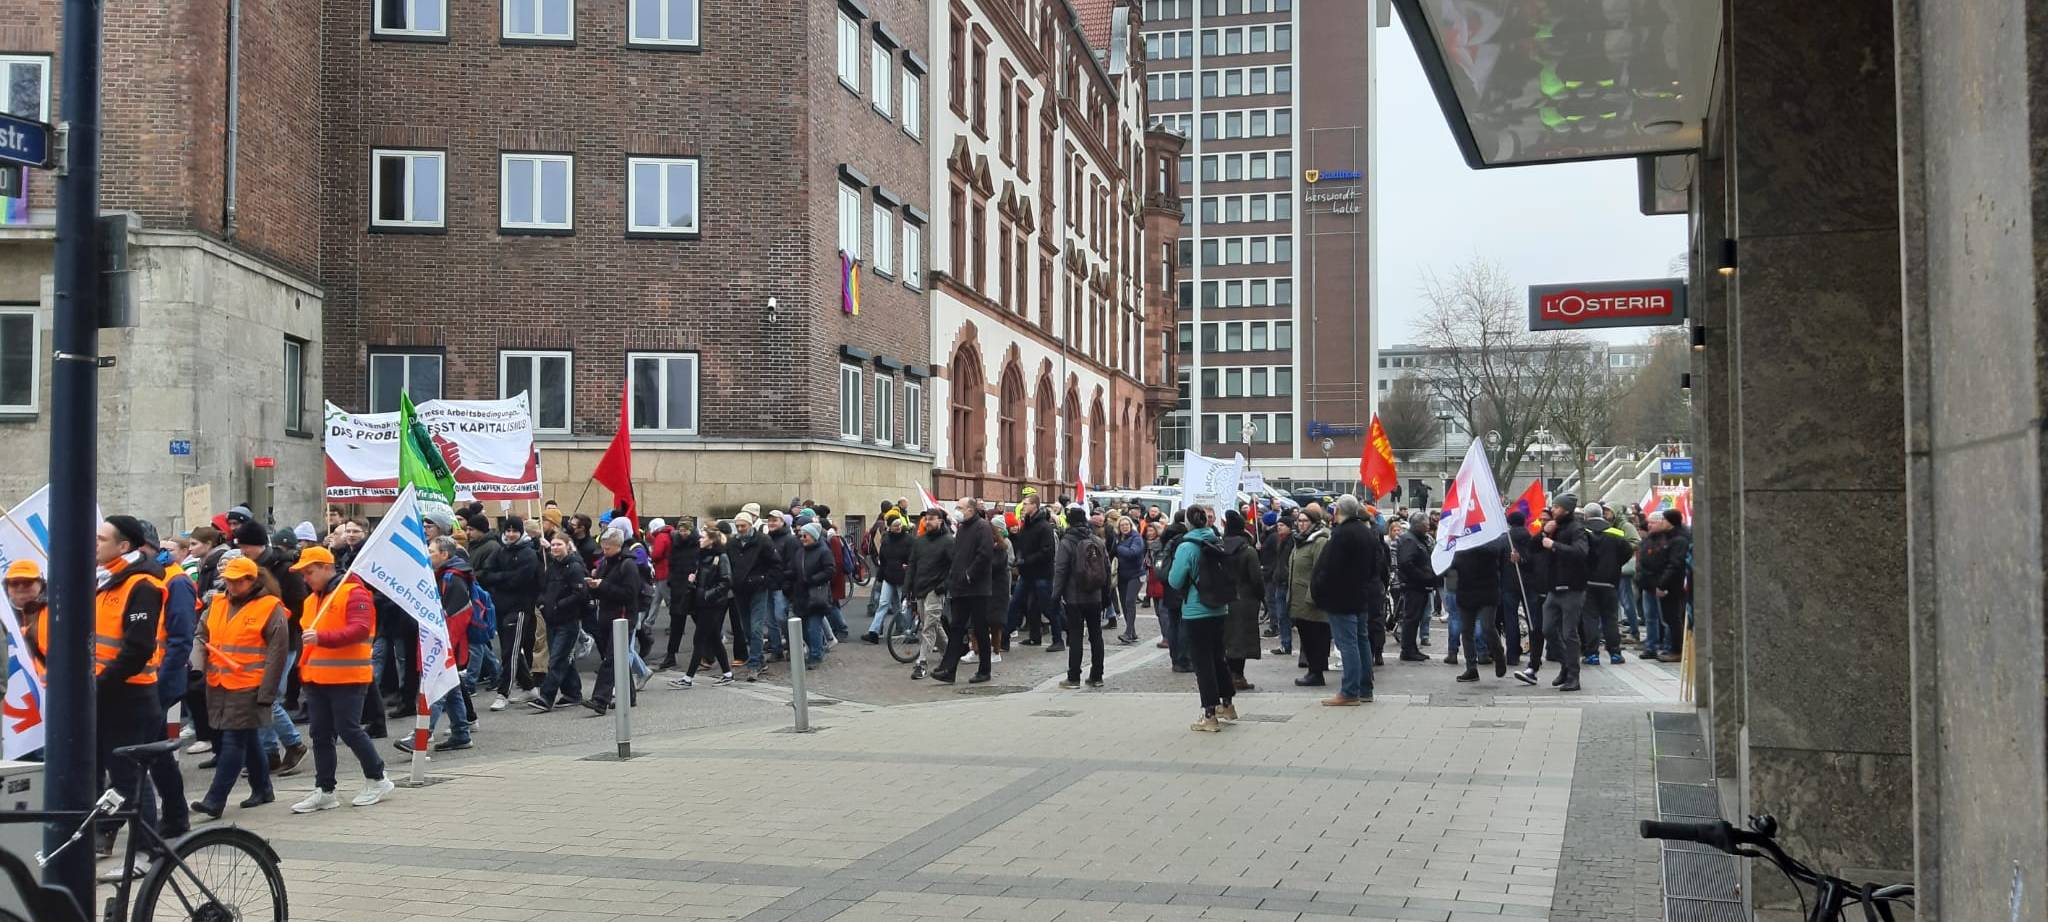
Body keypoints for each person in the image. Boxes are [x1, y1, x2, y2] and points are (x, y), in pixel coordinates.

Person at [87, 516, 175, 843]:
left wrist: (99, 684)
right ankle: (101, 834)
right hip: (106, 693)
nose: (93, 543)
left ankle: (146, 848)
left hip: (129, 696)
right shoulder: (104, 579)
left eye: (101, 538)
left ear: (123, 547)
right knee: (101, 772)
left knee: (129, 777)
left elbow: (138, 648)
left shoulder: (141, 585)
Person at [288, 547, 394, 812]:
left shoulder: (353, 592)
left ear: (326, 567)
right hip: (317, 677)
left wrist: (322, 638)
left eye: (309, 572)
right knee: (320, 734)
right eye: (303, 573)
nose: (306, 578)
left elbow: (359, 630)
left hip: (348, 677)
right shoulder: (314, 598)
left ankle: (377, 778)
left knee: (348, 730)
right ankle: (325, 790)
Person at [190, 556, 287, 819]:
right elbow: (201, 634)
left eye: (236, 582)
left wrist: (267, 693)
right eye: (228, 581)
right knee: (247, 737)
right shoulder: (218, 603)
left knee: (233, 741)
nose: (230, 586)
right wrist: (197, 667)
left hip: (249, 685)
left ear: (251, 580)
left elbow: (278, 654)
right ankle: (263, 788)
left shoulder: (269, 607)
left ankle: (215, 799)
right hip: (220, 683)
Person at [403, 536, 477, 751]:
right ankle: (461, 733)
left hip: (444, 644)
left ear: (445, 554)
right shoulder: (444, 575)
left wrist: (443, 647)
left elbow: (458, 616)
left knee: (435, 687)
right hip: (443, 642)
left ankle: (421, 736)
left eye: (432, 551)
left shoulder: (452, 578)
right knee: (451, 688)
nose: (428, 555)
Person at [1168, 506, 1234, 731]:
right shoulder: (1216, 540)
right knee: (1219, 657)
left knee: (1202, 662)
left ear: (1188, 523)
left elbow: (1175, 580)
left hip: (1196, 610)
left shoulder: (1187, 547)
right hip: (1220, 608)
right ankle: (1228, 704)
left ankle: (1209, 715)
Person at [1311, 497, 1378, 706]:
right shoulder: (1366, 532)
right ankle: (1365, 688)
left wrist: (1320, 588)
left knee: (1347, 644)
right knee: (1361, 641)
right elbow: (1376, 565)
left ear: (1338, 510)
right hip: (1361, 594)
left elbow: (1330, 567)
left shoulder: (1341, 535)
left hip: (1341, 597)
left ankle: (1350, 691)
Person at [1522, 494, 1590, 691]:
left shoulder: (1576, 528)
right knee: (1547, 629)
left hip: (1572, 588)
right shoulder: (1553, 526)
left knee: (1569, 633)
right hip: (1553, 588)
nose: (1553, 509)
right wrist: (1544, 532)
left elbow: (1580, 553)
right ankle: (1565, 666)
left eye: (1557, 507)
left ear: (1567, 510)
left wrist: (1555, 546)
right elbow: (1532, 547)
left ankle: (1573, 677)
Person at [479, 517, 542, 711]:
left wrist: (500, 579)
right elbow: (486, 574)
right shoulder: (500, 550)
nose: (511, 534)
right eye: (508, 530)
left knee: (510, 651)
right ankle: (530, 687)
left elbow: (520, 580)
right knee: (511, 649)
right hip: (501, 606)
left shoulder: (529, 553)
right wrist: (503, 578)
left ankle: (503, 692)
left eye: (515, 530)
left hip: (520, 608)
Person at [930, 498, 994, 684]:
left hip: (977, 589)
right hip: (960, 588)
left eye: (961, 507)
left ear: (971, 510)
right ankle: (948, 669)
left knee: (980, 630)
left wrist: (969, 574)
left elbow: (984, 554)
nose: (957, 510)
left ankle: (984, 670)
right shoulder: (962, 528)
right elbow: (957, 556)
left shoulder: (982, 527)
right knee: (956, 629)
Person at [585, 529, 645, 712]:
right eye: (603, 547)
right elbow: (604, 588)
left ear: (618, 546)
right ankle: (629, 696)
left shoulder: (628, 565)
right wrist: (594, 586)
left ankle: (600, 699)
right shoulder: (605, 563)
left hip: (623, 617)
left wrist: (603, 585)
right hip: (607, 616)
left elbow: (629, 594)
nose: (604, 551)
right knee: (617, 658)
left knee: (611, 659)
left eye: (608, 548)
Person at [670, 526, 734, 687]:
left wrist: (706, 594)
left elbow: (725, 581)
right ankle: (727, 673)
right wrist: (694, 583)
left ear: (712, 540)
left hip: (713, 604)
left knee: (699, 639)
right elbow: (703, 579)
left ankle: (688, 678)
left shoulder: (721, 557)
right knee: (714, 639)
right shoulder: (701, 556)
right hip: (702, 603)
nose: (699, 539)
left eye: (703, 537)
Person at [531, 535, 590, 711]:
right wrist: (542, 604)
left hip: (568, 620)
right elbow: (543, 589)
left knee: (556, 659)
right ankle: (572, 692)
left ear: (567, 546)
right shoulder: (552, 568)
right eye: (554, 545)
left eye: (559, 544)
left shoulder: (574, 567)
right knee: (564, 658)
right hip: (552, 619)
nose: (555, 548)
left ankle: (546, 697)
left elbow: (580, 594)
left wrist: (558, 605)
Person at [1050, 506, 1107, 689]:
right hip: (1095, 595)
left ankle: (1074, 677)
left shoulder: (1067, 541)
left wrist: (1055, 595)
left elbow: (1060, 570)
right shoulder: (1096, 540)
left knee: (1075, 636)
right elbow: (1105, 567)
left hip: (1074, 596)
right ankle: (1097, 676)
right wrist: (1106, 595)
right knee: (1096, 635)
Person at [727, 512, 782, 681]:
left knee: (756, 626)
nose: (740, 529)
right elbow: (728, 562)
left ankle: (754, 664)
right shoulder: (732, 543)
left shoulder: (763, 541)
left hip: (758, 588)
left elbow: (776, 563)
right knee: (746, 628)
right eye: (738, 526)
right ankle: (758, 659)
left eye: (743, 525)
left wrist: (765, 580)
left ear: (750, 525)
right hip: (740, 590)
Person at [1451, 531, 1508, 682]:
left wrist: (1472, 545)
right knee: (1467, 631)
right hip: (1466, 591)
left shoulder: (1491, 541)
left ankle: (1498, 654)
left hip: (1487, 591)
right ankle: (1471, 668)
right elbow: (1453, 563)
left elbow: (1496, 551)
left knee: (1487, 627)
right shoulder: (1461, 544)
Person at [904, 507, 953, 680]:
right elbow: (912, 565)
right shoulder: (919, 541)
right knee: (932, 624)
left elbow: (954, 568)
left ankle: (921, 662)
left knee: (928, 627)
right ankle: (950, 654)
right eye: (926, 519)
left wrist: (944, 586)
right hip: (920, 588)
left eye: (932, 519)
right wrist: (907, 588)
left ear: (940, 521)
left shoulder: (948, 541)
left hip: (936, 589)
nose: (928, 522)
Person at [1579, 504, 1632, 665]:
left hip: (1588, 582)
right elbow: (1628, 551)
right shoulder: (1616, 533)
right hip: (1610, 583)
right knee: (1610, 619)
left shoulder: (1583, 532)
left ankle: (1592, 654)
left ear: (1586, 516)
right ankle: (1615, 653)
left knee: (1591, 619)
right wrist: (1615, 565)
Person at [1219, 510, 1263, 690]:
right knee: (1242, 639)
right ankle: (1238, 676)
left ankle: (1229, 673)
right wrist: (1262, 597)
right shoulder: (1248, 551)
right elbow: (1256, 579)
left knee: (1227, 638)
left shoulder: (1219, 548)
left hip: (1223, 598)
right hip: (1245, 600)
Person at [1286, 507, 1330, 686]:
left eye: (1305, 521)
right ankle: (1313, 669)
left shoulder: (1319, 541)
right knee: (1306, 636)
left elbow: (1320, 571)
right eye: (1299, 520)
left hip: (1311, 600)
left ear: (1314, 523)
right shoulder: (1300, 541)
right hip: (1298, 599)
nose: (1301, 524)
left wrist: (1313, 596)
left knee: (1315, 637)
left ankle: (1316, 672)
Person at [1008, 491, 1057, 650]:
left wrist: (1027, 560)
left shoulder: (1044, 526)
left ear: (1034, 506)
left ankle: (1060, 638)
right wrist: (1019, 557)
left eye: (1026, 504)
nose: (1023, 507)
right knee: (1023, 605)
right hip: (1026, 573)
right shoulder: (1026, 525)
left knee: (1047, 606)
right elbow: (1022, 545)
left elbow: (1047, 551)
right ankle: (1032, 637)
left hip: (1041, 573)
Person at [1640, 509, 1691, 663]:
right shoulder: (1670, 537)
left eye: (1662, 520)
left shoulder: (1678, 539)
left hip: (1672, 586)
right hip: (1662, 583)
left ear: (1669, 522)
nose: (1659, 523)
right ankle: (1673, 648)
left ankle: (1676, 649)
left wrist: (1662, 584)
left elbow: (1674, 565)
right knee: (1668, 618)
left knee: (1672, 618)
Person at [1393, 512, 1438, 662]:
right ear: (1418, 525)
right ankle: (1407, 649)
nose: (1427, 528)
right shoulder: (1409, 541)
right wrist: (1424, 576)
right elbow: (1407, 563)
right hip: (1414, 586)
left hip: (1420, 585)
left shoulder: (1418, 539)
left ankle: (1412, 648)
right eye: (1425, 525)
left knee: (1416, 618)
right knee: (1411, 618)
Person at [863, 511, 912, 643]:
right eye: (895, 525)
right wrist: (880, 576)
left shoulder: (909, 540)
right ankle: (874, 632)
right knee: (883, 604)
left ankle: (907, 631)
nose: (898, 527)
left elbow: (913, 558)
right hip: (888, 577)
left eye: (899, 525)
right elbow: (883, 560)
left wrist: (909, 569)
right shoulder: (886, 539)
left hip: (902, 577)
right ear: (889, 526)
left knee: (902, 606)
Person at [658, 516, 699, 671]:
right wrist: (671, 581)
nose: (683, 533)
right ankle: (670, 655)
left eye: (686, 530)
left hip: (692, 588)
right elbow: (672, 563)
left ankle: (709, 652)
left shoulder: (697, 544)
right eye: (681, 530)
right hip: (677, 586)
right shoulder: (675, 543)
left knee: (701, 622)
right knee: (676, 623)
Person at [792, 523, 834, 666]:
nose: (802, 538)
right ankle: (816, 649)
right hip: (801, 594)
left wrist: (813, 579)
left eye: (805, 536)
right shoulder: (800, 552)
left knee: (813, 626)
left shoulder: (824, 551)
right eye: (801, 536)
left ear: (814, 537)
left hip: (817, 595)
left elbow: (830, 571)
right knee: (803, 628)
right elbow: (794, 570)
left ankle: (816, 655)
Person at [1259, 517, 1294, 656]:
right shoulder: (1280, 540)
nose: (1279, 528)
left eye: (1283, 525)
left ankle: (1287, 643)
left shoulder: (1292, 541)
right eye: (1278, 525)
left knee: (1286, 615)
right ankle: (1285, 644)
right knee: (1282, 615)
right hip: (1278, 580)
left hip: (1287, 582)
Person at [1111, 515, 1147, 645]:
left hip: (1136, 575)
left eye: (1127, 524)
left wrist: (1118, 548)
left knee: (1130, 602)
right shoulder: (1118, 538)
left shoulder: (1136, 538)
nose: (1124, 527)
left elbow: (1133, 553)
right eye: (1122, 525)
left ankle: (1128, 632)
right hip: (1123, 576)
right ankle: (1132, 632)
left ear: (1131, 525)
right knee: (1125, 605)